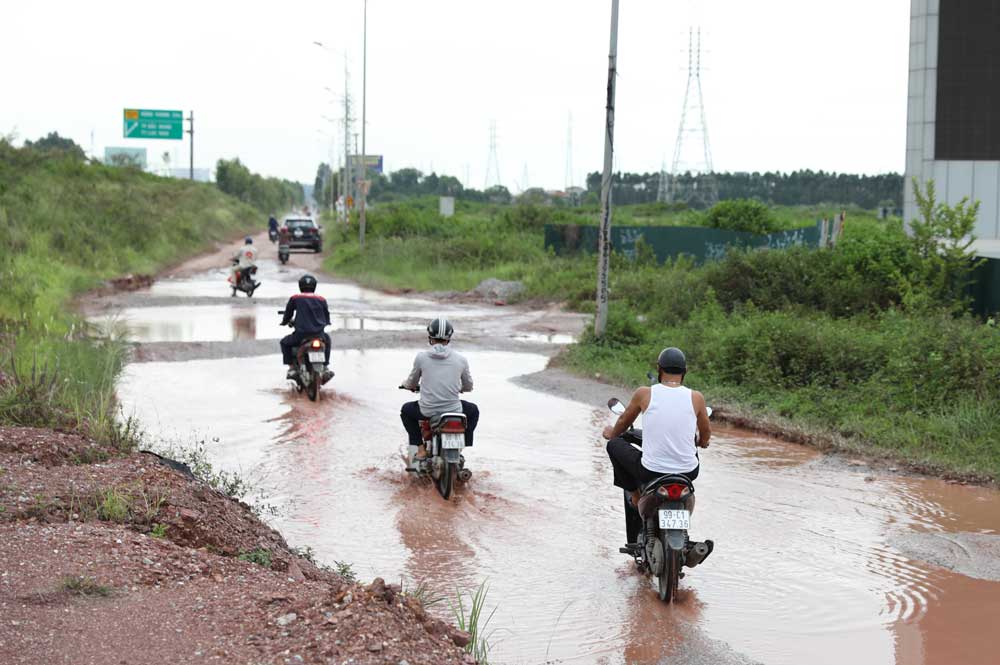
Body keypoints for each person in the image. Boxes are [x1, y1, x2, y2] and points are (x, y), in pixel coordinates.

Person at [602, 347, 711, 546]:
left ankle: (635, 495)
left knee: (614, 445)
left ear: (659, 369)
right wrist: (702, 442)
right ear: (684, 371)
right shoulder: (696, 397)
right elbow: (705, 435)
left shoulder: (644, 394)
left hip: (650, 471)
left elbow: (624, 421)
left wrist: (613, 433)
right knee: (692, 452)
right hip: (688, 472)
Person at [399, 317, 479, 460]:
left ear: (430, 337)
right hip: (454, 410)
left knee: (406, 410)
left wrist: (407, 385)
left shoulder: (421, 358)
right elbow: (468, 386)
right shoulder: (461, 359)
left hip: (427, 411)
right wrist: (459, 388)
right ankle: (460, 447)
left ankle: (421, 449)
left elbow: (412, 382)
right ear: (449, 338)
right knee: (473, 410)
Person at [279, 274, 334, 383]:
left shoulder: (295, 298)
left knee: (284, 343)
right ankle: (326, 366)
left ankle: (291, 368)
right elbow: (326, 317)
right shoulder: (321, 299)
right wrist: (326, 323)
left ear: (300, 286)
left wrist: (284, 322)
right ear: (314, 286)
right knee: (328, 340)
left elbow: (288, 313)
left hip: (301, 335)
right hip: (319, 335)